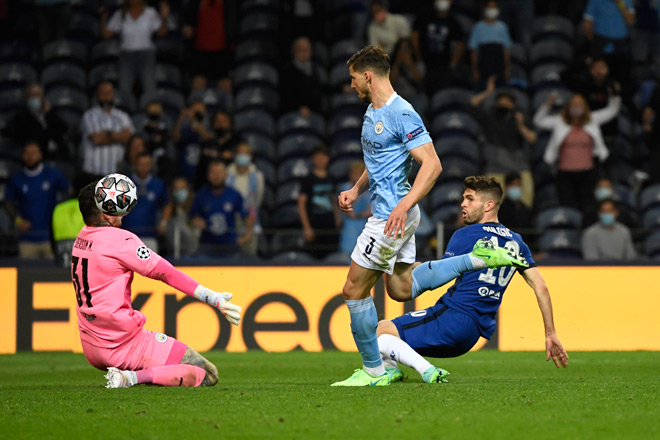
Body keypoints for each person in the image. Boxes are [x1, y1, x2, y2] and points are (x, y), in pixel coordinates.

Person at [332, 46, 528, 387]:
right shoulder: (371, 113)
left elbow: (433, 164)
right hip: (393, 212)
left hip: (391, 216)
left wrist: (403, 205)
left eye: (352, 78)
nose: (351, 86)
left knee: (353, 289)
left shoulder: (402, 113)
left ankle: (374, 371)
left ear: (368, 75)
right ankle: (476, 260)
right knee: (400, 287)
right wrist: (356, 189)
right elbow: (378, 163)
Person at [376, 176, 568, 384]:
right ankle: (391, 370)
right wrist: (550, 333)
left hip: (452, 318)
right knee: (387, 335)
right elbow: (541, 287)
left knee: (376, 332)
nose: (462, 204)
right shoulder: (517, 241)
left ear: (488, 205)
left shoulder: (467, 234)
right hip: (472, 334)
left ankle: (427, 370)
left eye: (469, 199)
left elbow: (440, 275)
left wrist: (409, 269)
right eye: (463, 198)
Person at [72, 179, 241, 388]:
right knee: (207, 372)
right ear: (105, 211)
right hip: (122, 344)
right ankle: (129, 378)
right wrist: (212, 297)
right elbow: (166, 273)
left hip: (91, 345)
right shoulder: (120, 241)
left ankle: (129, 374)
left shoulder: (81, 238)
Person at [533, 92, 620, 211]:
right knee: (568, 207)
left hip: (587, 172)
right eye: (574, 104)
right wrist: (548, 104)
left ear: (585, 107)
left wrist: (615, 95)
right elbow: (538, 121)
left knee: (588, 206)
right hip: (565, 173)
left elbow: (612, 111)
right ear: (568, 107)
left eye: (579, 104)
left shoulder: (592, 120)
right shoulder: (560, 122)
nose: (577, 107)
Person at [471, 76, 537, 206]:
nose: (504, 104)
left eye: (507, 102)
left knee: (526, 203)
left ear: (513, 105)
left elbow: (532, 139)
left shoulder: (519, 118)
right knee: (490, 206)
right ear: (496, 103)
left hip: (519, 167)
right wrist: (488, 92)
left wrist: (521, 125)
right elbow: (472, 104)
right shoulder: (490, 117)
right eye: (501, 102)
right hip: (495, 167)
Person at [5, 142, 70, 259]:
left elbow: (70, 193)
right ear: (22, 156)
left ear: (40, 155)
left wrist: (62, 219)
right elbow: (8, 202)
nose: (30, 156)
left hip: (51, 237)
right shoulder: (16, 179)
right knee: (26, 275)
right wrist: (18, 221)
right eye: (27, 153)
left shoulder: (53, 174)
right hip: (27, 239)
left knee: (52, 275)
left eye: (33, 153)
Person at [101, 0, 169, 101]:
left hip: (146, 55)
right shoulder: (120, 14)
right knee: (124, 89)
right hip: (126, 55)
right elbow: (106, 34)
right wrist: (103, 18)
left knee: (149, 88)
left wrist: (164, 17)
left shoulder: (150, 13)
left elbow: (162, 32)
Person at [190, 160, 253, 257]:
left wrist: (247, 235)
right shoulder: (201, 195)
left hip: (230, 246)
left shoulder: (234, 195)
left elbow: (247, 215)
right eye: (213, 173)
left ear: (225, 175)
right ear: (208, 175)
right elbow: (191, 217)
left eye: (219, 173)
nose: (216, 176)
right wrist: (197, 221)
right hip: (207, 246)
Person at [80, 82, 134, 178]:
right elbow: (97, 139)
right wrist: (119, 136)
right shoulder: (89, 115)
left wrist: (106, 135)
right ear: (97, 96)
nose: (105, 97)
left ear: (113, 95)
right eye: (102, 93)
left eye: (108, 93)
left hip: (116, 173)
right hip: (93, 172)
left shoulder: (123, 116)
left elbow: (128, 139)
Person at [3, 84, 70, 161]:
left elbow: (64, 129)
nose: (34, 98)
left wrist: (48, 113)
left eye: (36, 95)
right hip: (38, 157)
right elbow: (35, 136)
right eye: (30, 95)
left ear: (42, 97)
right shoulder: (21, 118)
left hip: (60, 155)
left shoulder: (51, 114)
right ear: (26, 99)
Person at [411, 0, 465, 94]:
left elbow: (460, 45)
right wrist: (418, 59)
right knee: (423, 93)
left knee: (442, 93)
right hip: (425, 63)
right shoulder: (424, 16)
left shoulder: (453, 22)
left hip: (443, 66)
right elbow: (414, 36)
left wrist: (452, 64)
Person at [297, 146, 340, 259]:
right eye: (317, 157)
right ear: (313, 159)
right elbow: (301, 204)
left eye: (323, 156)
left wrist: (337, 219)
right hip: (314, 223)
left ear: (328, 159)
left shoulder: (332, 178)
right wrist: (307, 227)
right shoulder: (308, 179)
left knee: (331, 257)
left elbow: (334, 201)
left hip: (330, 224)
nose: (320, 159)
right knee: (313, 257)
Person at [121, 153, 170, 251]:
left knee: (151, 265)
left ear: (151, 166)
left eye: (146, 165)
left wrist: (163, 222)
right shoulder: (124, 183)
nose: (143, 168)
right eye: (140, 164)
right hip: (126, 236)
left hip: (150, 236)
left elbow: (167, 204)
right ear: (134, 165)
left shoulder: (158, 184)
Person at [182, 0, 237, 81]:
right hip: (200, 53)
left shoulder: (229, 4)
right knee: (198, 83)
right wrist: (186, 27)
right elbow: (185, 20)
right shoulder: (195, 3)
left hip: (222, 53)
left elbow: (233, 25)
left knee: (225, 84)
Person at [225, 142, 265, 256]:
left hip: (250, 219)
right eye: (240, 153)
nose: (243, 156)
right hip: (230, 217)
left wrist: (249, 215)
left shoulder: (257, 176)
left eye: (246, 153)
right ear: (235, 155)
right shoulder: (227, 173)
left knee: (249, 253)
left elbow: (258, 199)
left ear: (250, 156)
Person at [583, 0, 634, 84]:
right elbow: (587, 25)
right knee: (598, 75)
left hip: (620, 47)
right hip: (600, 45)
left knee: (622, 77)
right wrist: (594, 43)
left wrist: (620, 3)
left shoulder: (625, 1)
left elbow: (631, 20)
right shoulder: (594, 1)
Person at [468, 1, 512, 89]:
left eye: (494, 7)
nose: (491, 10)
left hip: (499, 68)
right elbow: (474, 51)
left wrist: (507, 69)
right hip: (484, 68)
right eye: (489, 7)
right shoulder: (478, 27)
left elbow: (506, 51)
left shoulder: (502, 27)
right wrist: (475, 70)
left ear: (498, 10)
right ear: (484, 9)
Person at [279, 37, 324, 116]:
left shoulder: (313, 68)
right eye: (303, 50)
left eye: (308, 50)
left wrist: (341, 89)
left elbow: (319, 87)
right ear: (295, 52)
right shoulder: (288, 71)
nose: (306, 53)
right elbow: (287, 94)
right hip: (293, 113)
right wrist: (299, 107)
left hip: (314, 111)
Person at [195, 110, 241, 187]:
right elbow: (200, 170)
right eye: (217, 121)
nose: (220, 124)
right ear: (213, 124)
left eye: (224, 121)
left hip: (230, 188)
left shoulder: (238, 143)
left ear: (230, 123)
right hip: (207, 189)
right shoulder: (208, 143)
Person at [52, 174, 88, 267]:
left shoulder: (58, 208)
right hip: (84, 268)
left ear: (71, 189)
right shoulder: (91, 209)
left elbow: (51, 236)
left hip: (62, 262)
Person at [338, 162, 371, 256]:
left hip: (365, 224)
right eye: (353, 173)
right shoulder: (345, 188)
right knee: (347, 253)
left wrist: (359, 215)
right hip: (350, 225)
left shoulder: (372, 190)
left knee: (364, 253)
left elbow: (372, 210)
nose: (355, 176)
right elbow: (343, 206)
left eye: (358, 174)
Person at [164, 177, 199, 258]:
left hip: (193, 255)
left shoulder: (195, 208)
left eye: (182, 188)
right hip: (172, 254)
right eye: (177, 189)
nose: (180, 192)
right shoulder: (167, 211)